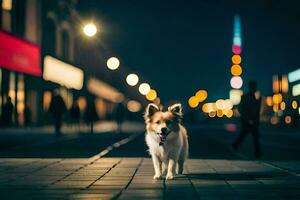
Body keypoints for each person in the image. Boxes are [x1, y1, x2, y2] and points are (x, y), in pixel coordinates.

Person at [232, 81, 262, 159]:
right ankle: (257, 153)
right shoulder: (246, 97)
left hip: (253, 120)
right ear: (250, 87)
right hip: (247, 120)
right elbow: (241, 108)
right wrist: (246, 117)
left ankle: (257, 153)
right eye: (253, 87)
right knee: (247, 134)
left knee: (252, 135)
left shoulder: (255, 97)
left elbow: (256, 109)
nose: (255, 88)